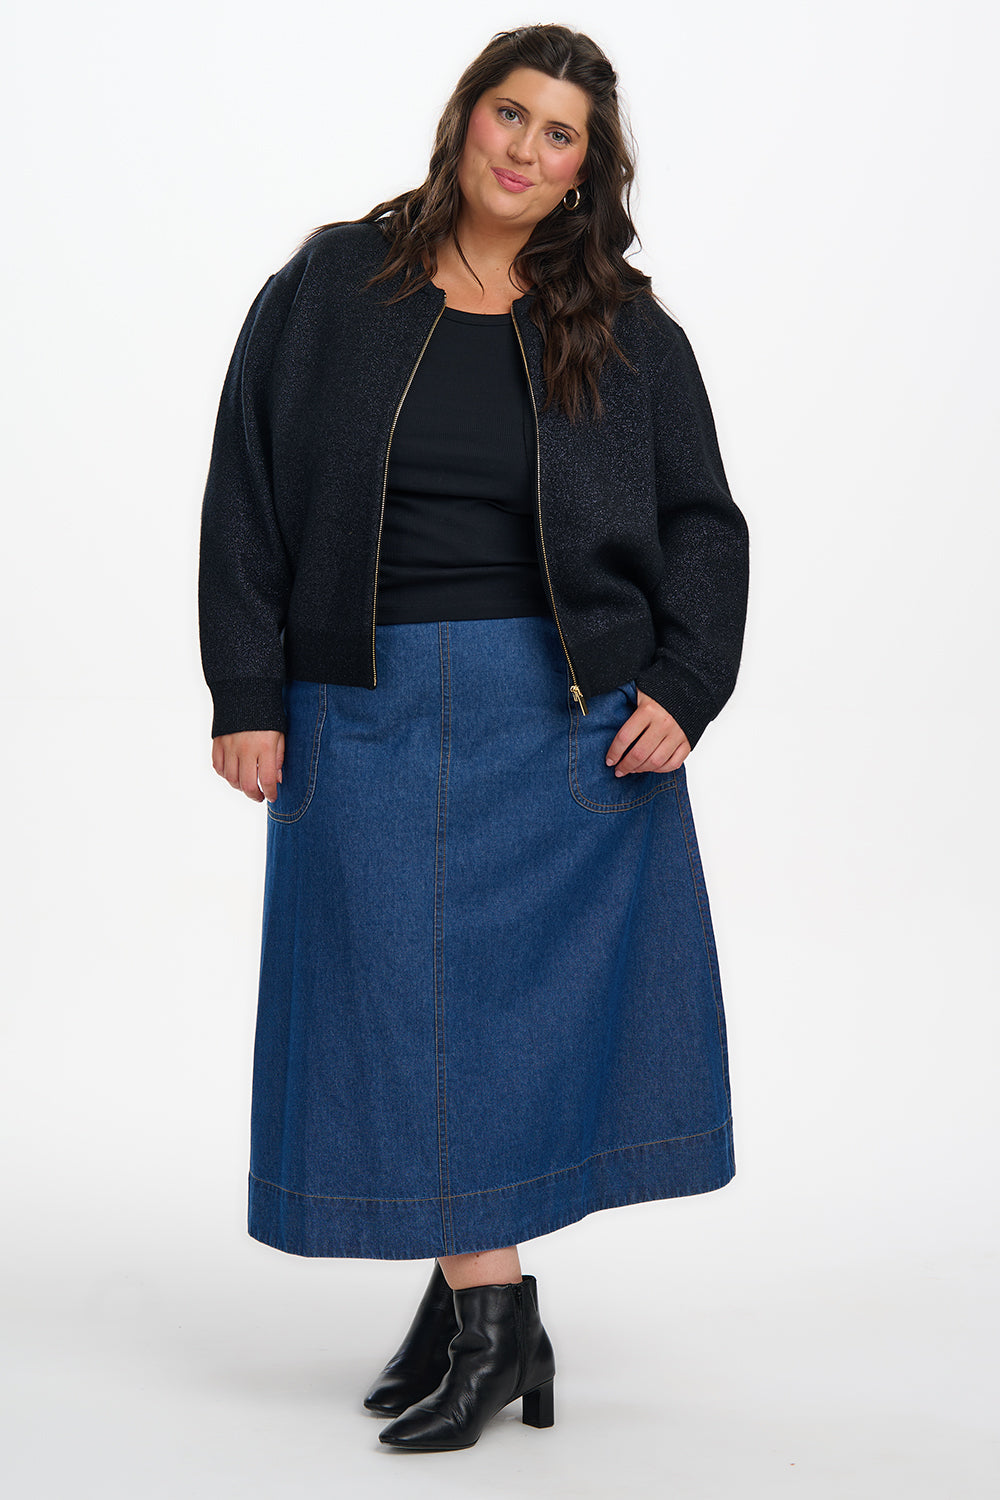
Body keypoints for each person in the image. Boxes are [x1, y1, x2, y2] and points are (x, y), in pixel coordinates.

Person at [198, 22, 750, 1454]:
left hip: (558, 719)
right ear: (466, 118)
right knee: (396, 1011)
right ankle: (487, 1317)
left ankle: (487, 1322)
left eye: (561, 135)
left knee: (499, 1027)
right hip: (361, 702)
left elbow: (703, 521)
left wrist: (686, 681)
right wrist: (248, 689)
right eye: (513, 113)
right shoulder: (334, 286)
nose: (527, 148)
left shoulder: (625, 328)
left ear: (584, 171)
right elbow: (246, 485)